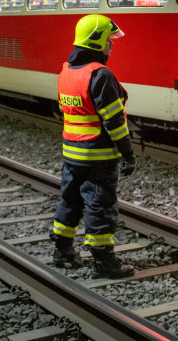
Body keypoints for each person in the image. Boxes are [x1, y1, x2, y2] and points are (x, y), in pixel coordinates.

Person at [50, 14, 138, 279]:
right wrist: (128, 155)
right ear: (97, 41)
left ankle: (63, 252)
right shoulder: (100, 75)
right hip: (98, 157)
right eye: (109, 40)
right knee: (100, 206)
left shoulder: (67, 70)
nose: (112, 45)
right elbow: (115, 123)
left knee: (69, 201)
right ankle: (104, 262)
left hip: (72, 154)